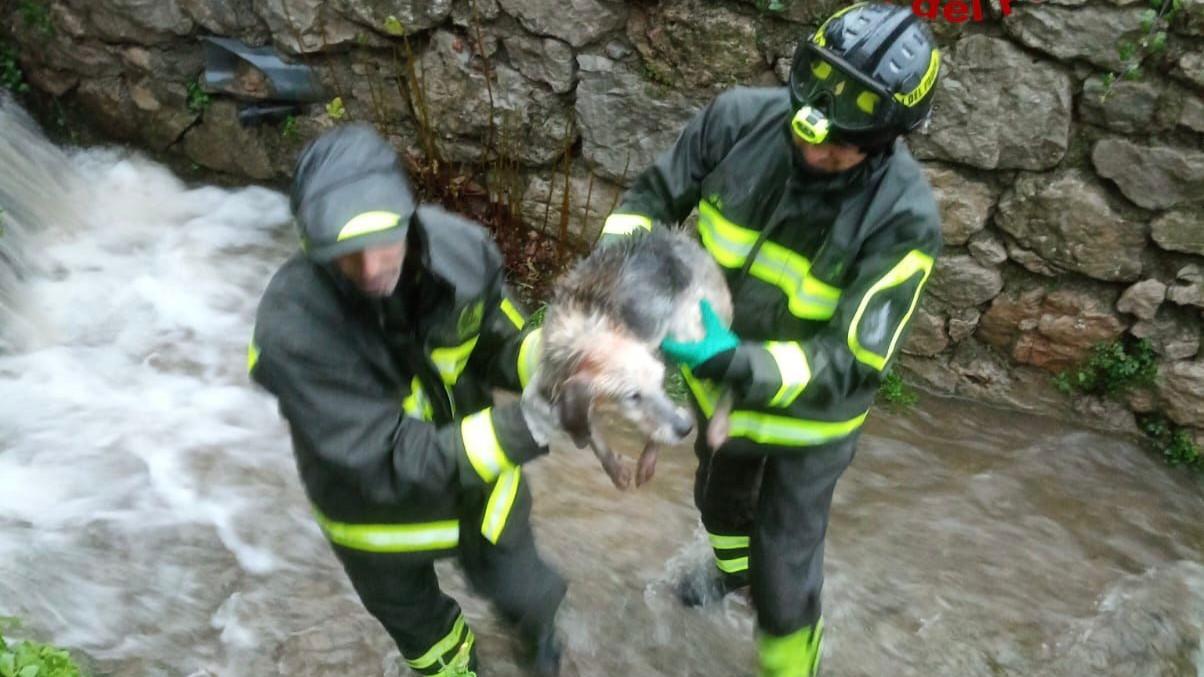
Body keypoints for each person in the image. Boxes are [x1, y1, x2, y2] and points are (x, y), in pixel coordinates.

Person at [598, 3, 943, 675]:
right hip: (718, 390)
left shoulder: (905, 219)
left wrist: (732, 357)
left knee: (784, 577)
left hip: (810, 420)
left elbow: (851, 360)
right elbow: (647, 200)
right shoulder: (735, 120)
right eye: (808, 130)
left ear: (888, 139)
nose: (815, 151)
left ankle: (789, 659)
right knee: (718, 506)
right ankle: (729, 574)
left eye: (839, 148)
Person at [248, 123, 565, 677]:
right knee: (432, 645)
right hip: (376, 523)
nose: (371, 271)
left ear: (408, 218)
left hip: (480, 495)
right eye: (346, 256)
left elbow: (504, 344)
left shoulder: (463, 254)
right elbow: (387, 458)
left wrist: (565, 364)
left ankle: (540, 656)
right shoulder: (291, 330)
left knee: (534, 600)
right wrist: (526, 427)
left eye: (381, 244)